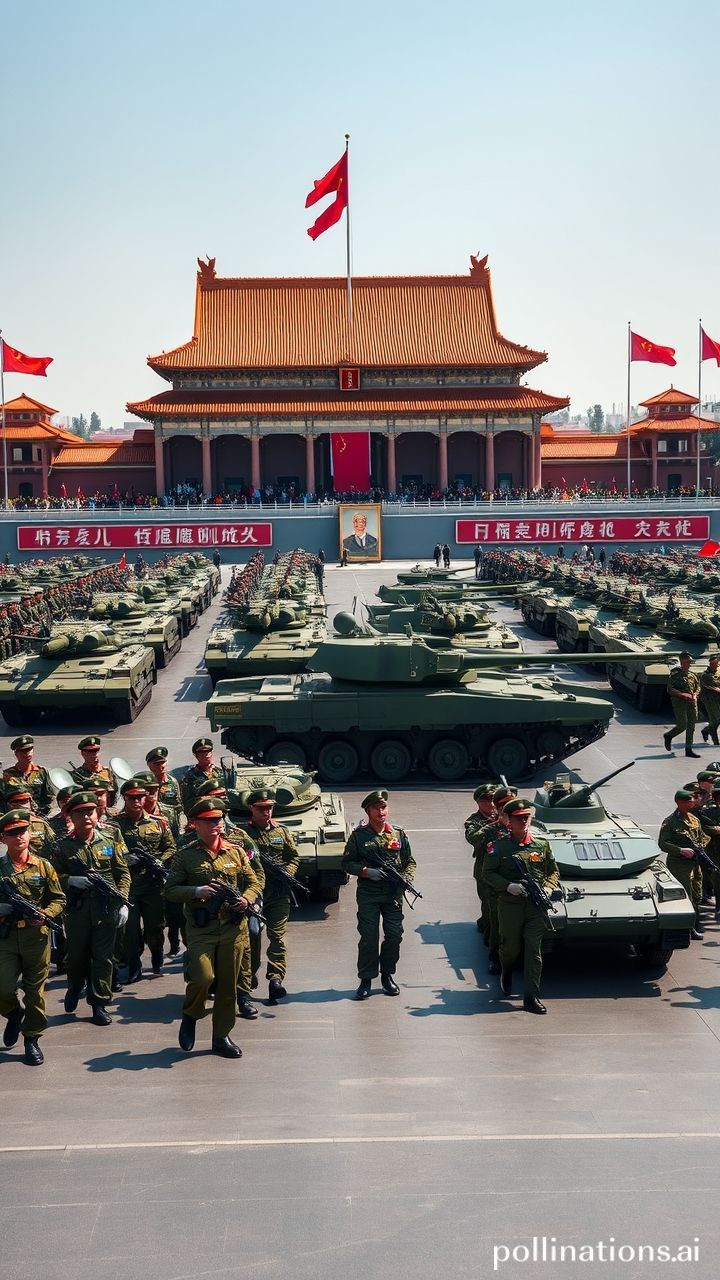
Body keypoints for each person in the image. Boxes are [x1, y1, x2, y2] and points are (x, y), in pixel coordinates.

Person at [165, 795, 262, 1059]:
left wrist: (247, 899)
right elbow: (170, 890)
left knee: (228, 987)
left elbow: (254, 882)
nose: (215, 825)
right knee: (203, 977)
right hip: (202, 929)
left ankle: (221, 1037)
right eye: (208, 821)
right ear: (195, 824)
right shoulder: (185, 856)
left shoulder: (236, 852)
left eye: (218, 820)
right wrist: (197, 891)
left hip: (233, 927)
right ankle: (191, 1015)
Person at [53, 790, 131, 1026]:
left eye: (91, 812)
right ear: (71, 817)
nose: (87, 817)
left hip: (106, 909)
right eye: (80, 813)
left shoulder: (109, 841)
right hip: (77, 912)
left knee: (103, 958)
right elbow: (52, 877)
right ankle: (75, 986)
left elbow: (123, 873)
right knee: (76, 957)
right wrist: (70, 880)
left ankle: (99, 1003)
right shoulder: (63, 846)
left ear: (98, 814)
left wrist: (123, 902)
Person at [483, 797, 561, 1014]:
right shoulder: (498, 847)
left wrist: (548, 888)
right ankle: (506, 968)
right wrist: (508, 886)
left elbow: (553, 871)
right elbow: (487, 873)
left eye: (526, 817)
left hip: (535, 907)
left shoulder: (541, 845)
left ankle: (531, 997)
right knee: (510, 949)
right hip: (510, 906)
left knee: (534, 951)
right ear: (509, 820)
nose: (524, 821)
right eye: (519, 818)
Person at [0, 808, 65, 1066]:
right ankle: (14, 1014)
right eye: (12, 833)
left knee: (35, 993)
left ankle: (32, 1038)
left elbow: (59, 899)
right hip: (5, 938)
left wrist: (45, 914)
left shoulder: (43, 866)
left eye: (23, 831)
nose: (19, 836)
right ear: (3, 838)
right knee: (3, 988)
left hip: (35, 937)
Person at [341, 790, 416, 1000]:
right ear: (368, 811)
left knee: (394, 935)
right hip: (369, 894)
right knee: (368, 936)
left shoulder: (398, 834)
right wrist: (366, 872)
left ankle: (387, 975)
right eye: (376, 808)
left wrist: (406, 878)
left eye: (384, 807)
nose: (381, 812)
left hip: (393, 894)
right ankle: (366, 978)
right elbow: (347, 863)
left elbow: (410, 861)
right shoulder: (359, 836)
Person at [240, 788, 300, 1004]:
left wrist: (287, 873)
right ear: (252, 809)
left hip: (278, 893)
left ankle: (276, 978)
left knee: (278, 937)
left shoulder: (281, 831)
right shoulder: (243, 835)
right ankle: (250, 972)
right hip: (254, 894)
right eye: (261, 808)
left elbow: (293, 857)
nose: (266, 812)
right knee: (252, 934)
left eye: (270, 808)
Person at [114, 777, 175, 982]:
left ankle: (157, 953)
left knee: (155, 927)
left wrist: (160, 861)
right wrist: (124, 859)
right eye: (132, 798)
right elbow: (109, 851)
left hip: (153, 884)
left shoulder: (158, 823)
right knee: (130, 930)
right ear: (125, 799)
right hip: (129, 884)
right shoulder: (115, 825)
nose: (137, 801)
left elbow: (170, 847)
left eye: (140, 797)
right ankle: (134, 966)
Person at [471, 784, 517, 971]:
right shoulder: (489, 827)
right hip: (491, 877)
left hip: (516, 877)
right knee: (494, 916)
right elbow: (474, 838)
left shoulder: (521, 823)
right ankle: (495, 954)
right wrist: (494, 823)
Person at [658, 789, 707, 938]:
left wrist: (701, 847)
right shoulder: (670, 822)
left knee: (697, 893)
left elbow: (702, 836)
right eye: (689, 801)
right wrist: (680, 850)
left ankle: (695, 923)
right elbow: (663, 843)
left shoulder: (694, 819)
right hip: (679, 864)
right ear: (679, 802)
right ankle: (688, 929)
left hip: (694, 863)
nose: (693, 802)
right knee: (686, 895)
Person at [463, 784, 497, 933]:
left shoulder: (505, 815)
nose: (491, 804)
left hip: (505, 864)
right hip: (485, 866)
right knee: (488, 903)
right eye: (485, 800)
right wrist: (493, 824)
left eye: (493, 799)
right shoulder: (473, 821)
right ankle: (488, 930)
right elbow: (473, 838)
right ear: (478, 802)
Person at [2, 735, 56, 816]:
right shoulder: (7, 776)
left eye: (29, 749)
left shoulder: (42, 772)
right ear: (16, 754)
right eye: (23, 751)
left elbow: (51, 797)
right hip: (17, 815)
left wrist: (48, 812)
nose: (27, 753)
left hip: (40, 815)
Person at [664, 653, 701, 758]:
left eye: (690, 662)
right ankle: (669, 735)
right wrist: (682, 694)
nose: (690, 664)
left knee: (691, 725)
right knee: (682, 724)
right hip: (680, 702)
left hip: (692, 702)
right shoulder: (675, 675)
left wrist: (695, 695)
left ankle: (688, 749)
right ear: (683, 662)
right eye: (688, 662)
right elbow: (670, 689)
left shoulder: (693, 675)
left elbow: (698, 687)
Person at [180, 738, 223, 814]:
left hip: (221, 810)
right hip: (202, 813)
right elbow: (188, 801)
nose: (206, 754)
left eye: (208, 751)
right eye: (202, 752)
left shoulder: (220, 772)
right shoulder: (190, 776)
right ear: (196, 755)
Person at [72, 736, 118, 807]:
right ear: (83, 753)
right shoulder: (76, 775)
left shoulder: (108, 772)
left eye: (96, 750)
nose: (94, 754)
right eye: (90, 752)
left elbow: (115, 794)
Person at [145, 746, 183, 816]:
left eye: (163, 762)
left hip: (170, 818)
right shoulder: (146, 783)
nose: (161, 766)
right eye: (157, 764)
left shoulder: (172, 781)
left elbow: (178, 804)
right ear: (150, 766)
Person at [700, 654, 720, 746]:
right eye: (715, 663)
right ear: (711, 664)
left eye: (717, 663)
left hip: (718, 698)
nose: (717, 665)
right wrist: (716, 689)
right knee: (715, 719)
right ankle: (716, 741)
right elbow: (709, 686)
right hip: (710, 699)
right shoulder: (706, 675)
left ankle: (706, 730)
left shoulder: (718, 671)